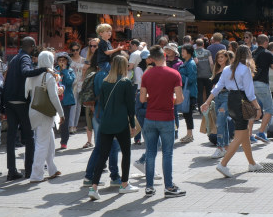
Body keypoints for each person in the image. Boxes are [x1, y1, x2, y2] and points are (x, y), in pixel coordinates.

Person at [202, 44, 261, 178]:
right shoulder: (245, 69)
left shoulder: (228, 69)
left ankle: (252, 163)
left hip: (231, 100)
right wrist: (257, 107)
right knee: (240, 135)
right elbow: (250, 92)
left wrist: (206, 101)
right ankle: (223, 164)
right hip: (242, 100)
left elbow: (217, 87)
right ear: (247, 55)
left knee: (244, 132)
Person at [88, 55, 139, 200]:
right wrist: (133, 124)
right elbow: (130, 107)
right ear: (123, 66)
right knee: (126, 153)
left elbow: (103, 104)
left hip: (106, 122)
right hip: (121, 122)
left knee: (102, 154)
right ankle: (124, 184)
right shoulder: (125, 82)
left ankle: (94, 187)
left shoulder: (105, 82)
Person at [140, 46, 186, 197]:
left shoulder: (146, 75)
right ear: (165, 55)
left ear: (151, 58)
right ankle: (169, 187)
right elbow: (179, 99)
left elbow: (142, 99)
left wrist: (152, 98)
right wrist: (170, 99)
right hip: (166, 117)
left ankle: (149, 187)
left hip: (150, 117)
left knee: (150, 152)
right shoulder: (174, 74)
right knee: (167, 153)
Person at [2, 36, 50, 181]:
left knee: (11, 137)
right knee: (29, 137)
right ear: (32, 46)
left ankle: (11, 171)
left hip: (9, 101)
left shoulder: (14, 58)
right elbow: (25, 72)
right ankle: (29, 170)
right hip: (21, 102)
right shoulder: (25, 58)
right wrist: (43, 69)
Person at [27, 50, 65, 183]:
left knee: (49, 140)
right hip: (45, 112)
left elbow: (27, 92)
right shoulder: (48, 76)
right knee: (42, 143)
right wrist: (61, 113)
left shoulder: (34, 74)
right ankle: (36, 175)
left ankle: (52, 169)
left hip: (34, 110)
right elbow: (54, 97)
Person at [251, 34, 273, 143]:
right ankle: (261, 132)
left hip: (252, 84)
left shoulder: (253, 53)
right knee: (269, 109)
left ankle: (249, 135)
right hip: (262, 83)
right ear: (266, 42)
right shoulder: (268, 54)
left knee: (254, 109)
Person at [208, 50, 232, 159]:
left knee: (220, 122)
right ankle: (226, 147)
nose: (220, 59)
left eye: (222, 57)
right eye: (218, 57)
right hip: (217, 97)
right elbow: (214, 84)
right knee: (223, 122)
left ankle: (220, 147)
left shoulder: (229, 69)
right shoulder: (217, 70)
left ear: (227, 58)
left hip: (226, 96)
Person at [177, 45, 198, 143]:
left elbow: (192, 79)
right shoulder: (186, 62)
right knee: (186, 114)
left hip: (189, 93)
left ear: (189, 52)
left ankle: (190, 135)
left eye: (184, 51)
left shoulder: (191, 63)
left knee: (188, 114)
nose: (182, 53)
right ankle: (189, 134)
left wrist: (179, 76)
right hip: (186, 92)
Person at [56, 54, 76, 150]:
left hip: (66, 100)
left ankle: (64, 141)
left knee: (64, 122)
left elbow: (69, 82)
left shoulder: (70, 71)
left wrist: (64, 71)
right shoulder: (54, 70)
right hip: (55, 99)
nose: (62, 62)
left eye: (64, 60)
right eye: (60, 60)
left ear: (67, 61)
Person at [67, 42, 85, 133]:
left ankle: (75, 125)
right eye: (73, 50)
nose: (75, 52)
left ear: (79, 49)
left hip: (81, 84)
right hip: (72, 84)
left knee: (79, 106)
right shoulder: (69, 60)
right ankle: (71, 126)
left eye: (77, 50)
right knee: (73, 105)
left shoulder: (84, 60)